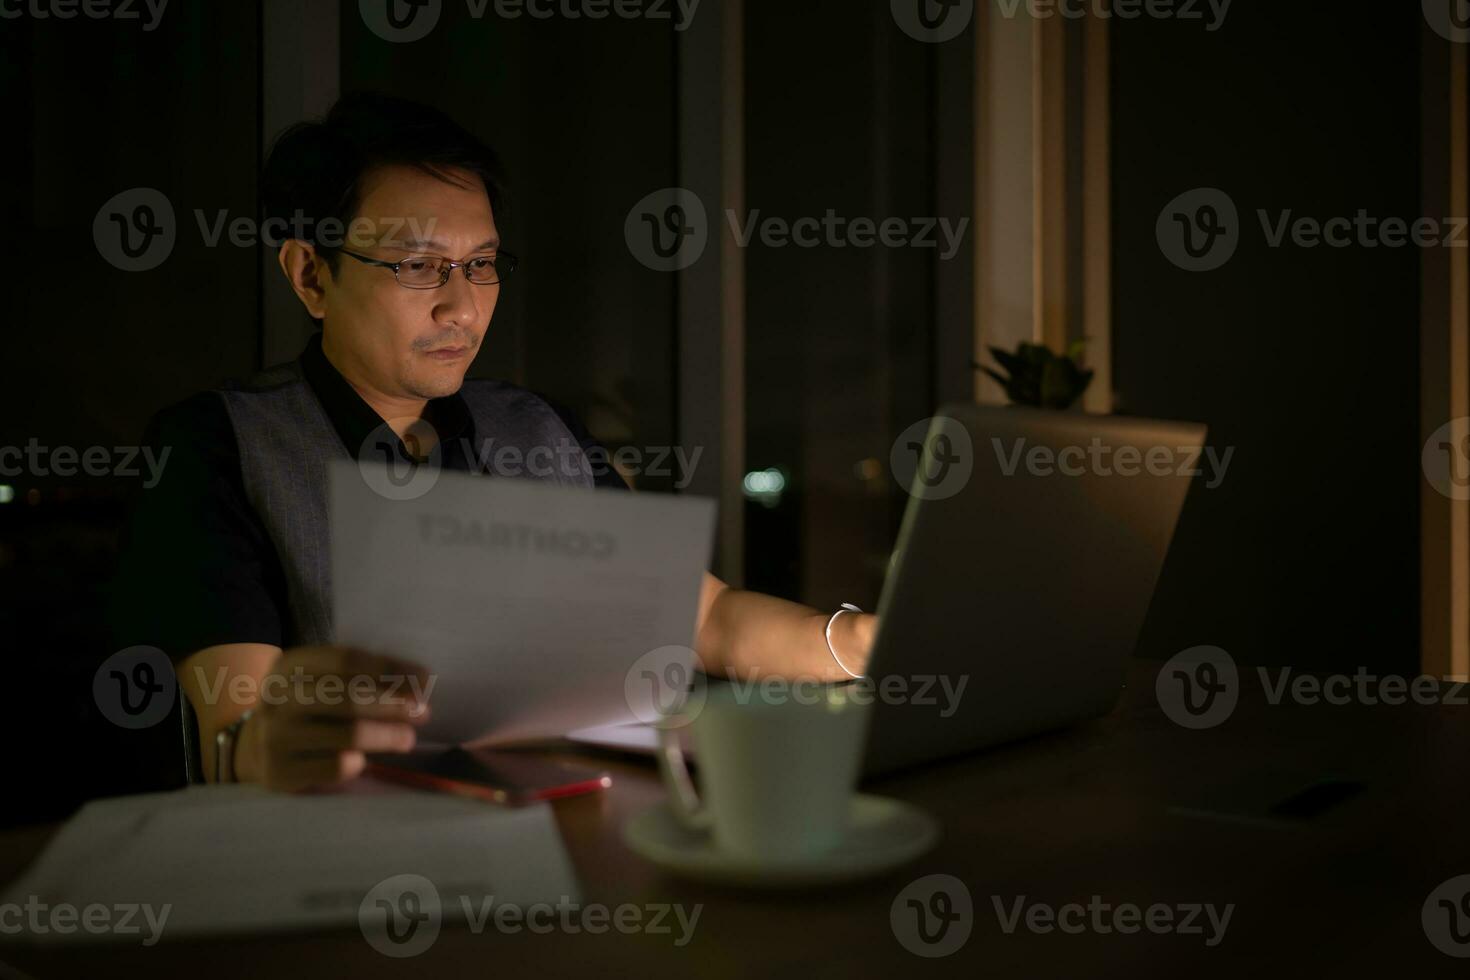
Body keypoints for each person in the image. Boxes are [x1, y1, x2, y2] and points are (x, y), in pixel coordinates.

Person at [110, 92, 876, 790]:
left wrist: (863, 643)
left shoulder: (537, 430)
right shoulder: (219, 446)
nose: (462, 307)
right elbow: (236, 726)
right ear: (311, 274)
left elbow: (705, 620)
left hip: (578, 826)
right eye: (418, 266)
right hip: (351, 859)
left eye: (480, 265)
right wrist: (261, 746)